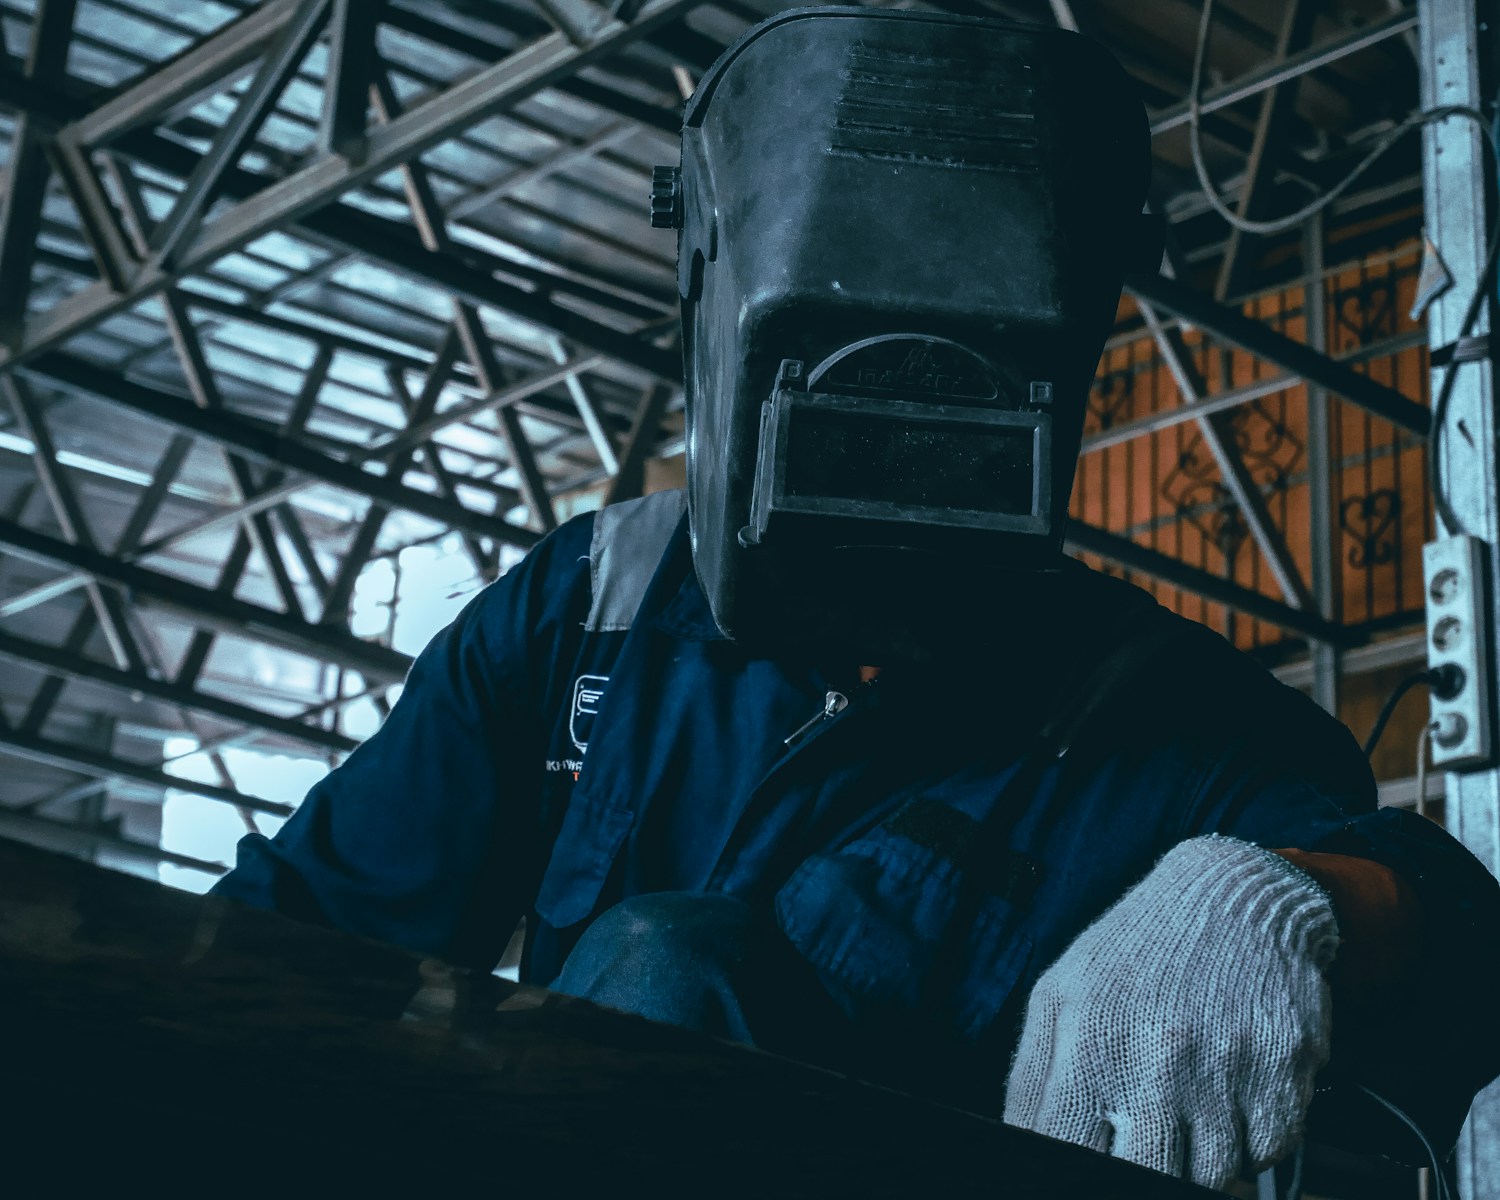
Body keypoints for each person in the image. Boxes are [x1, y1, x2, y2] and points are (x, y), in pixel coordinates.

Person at [213, 7, 1500, 1191]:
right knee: (665, 967)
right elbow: (290, 958)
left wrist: (1285, 898)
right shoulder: (592, 611)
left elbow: (1464, 955)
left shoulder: (1176, 733)